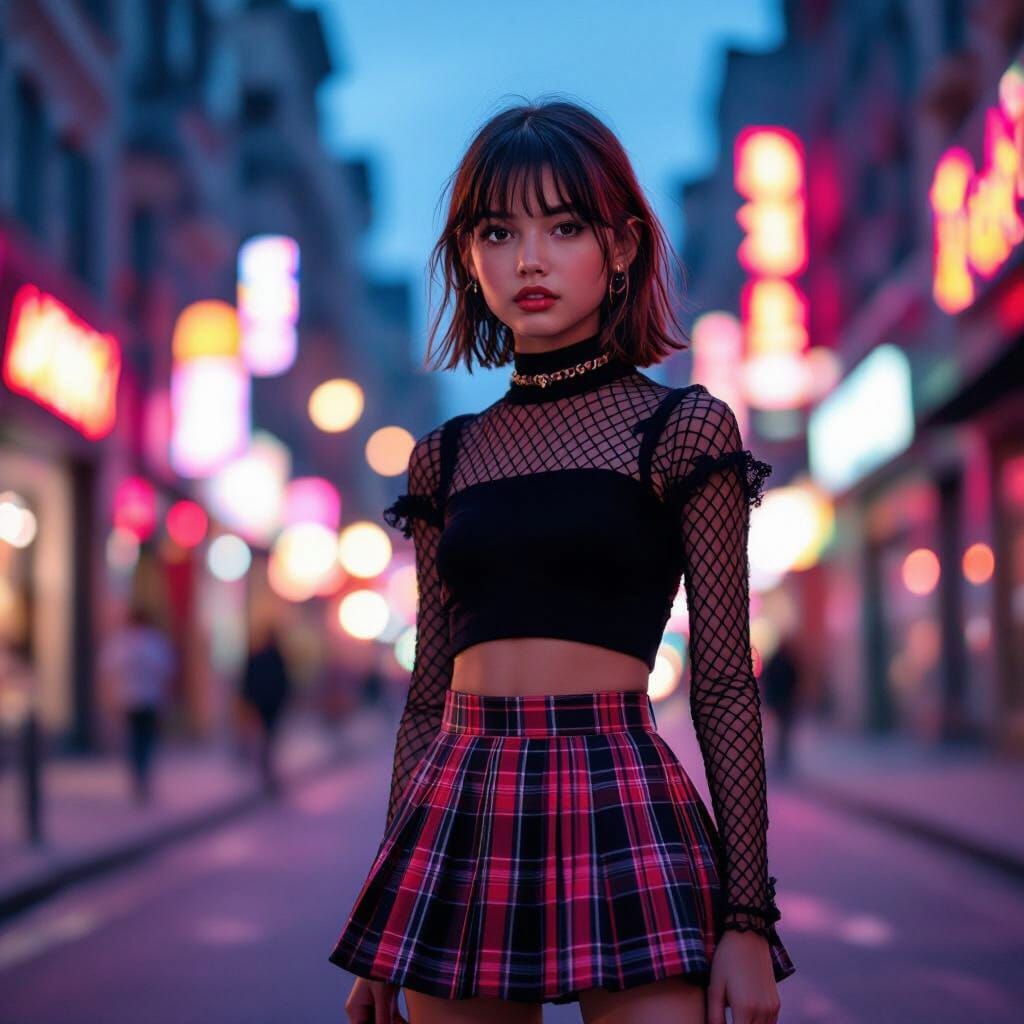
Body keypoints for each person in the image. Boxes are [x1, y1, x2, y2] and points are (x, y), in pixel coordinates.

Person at [331, 98, 796, 1024]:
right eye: (498, 232)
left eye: (564, 226)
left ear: (620, 247)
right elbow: (426, 696)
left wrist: (747, 920)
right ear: (469, 258)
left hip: (619, 787)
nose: (529, 260)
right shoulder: (445, 457)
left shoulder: (683, 428)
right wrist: (385, 929)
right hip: (462, 800)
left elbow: (722, 684)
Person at [99, 604, 176, 805]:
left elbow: (107, 673)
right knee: (145, 740)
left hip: (128, 699)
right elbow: (166, 674)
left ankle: (138, 774)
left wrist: (110, 699)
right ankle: (142, 774)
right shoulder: (155, 643)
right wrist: (165, 699)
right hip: (149, 699)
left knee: (134, 739)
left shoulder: (120, 643)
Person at [239, 624, 293, 796]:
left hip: (261, 703)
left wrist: (248, 699)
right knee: (268, 736)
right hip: (271, 703)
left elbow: (248, 680)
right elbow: (284, 682)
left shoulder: (258, 656)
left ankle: (264, 765)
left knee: (263, 736)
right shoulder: (277, 657)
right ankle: (264, 766)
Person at [761, 635, 801, 778]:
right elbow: (794, 680)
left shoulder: (778, 661)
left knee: (781, 730)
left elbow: (769, 680)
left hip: (781, 701)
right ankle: (781, 756)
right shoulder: (788, 661)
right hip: (783, 702)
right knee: (782, 730)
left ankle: (781, 756)